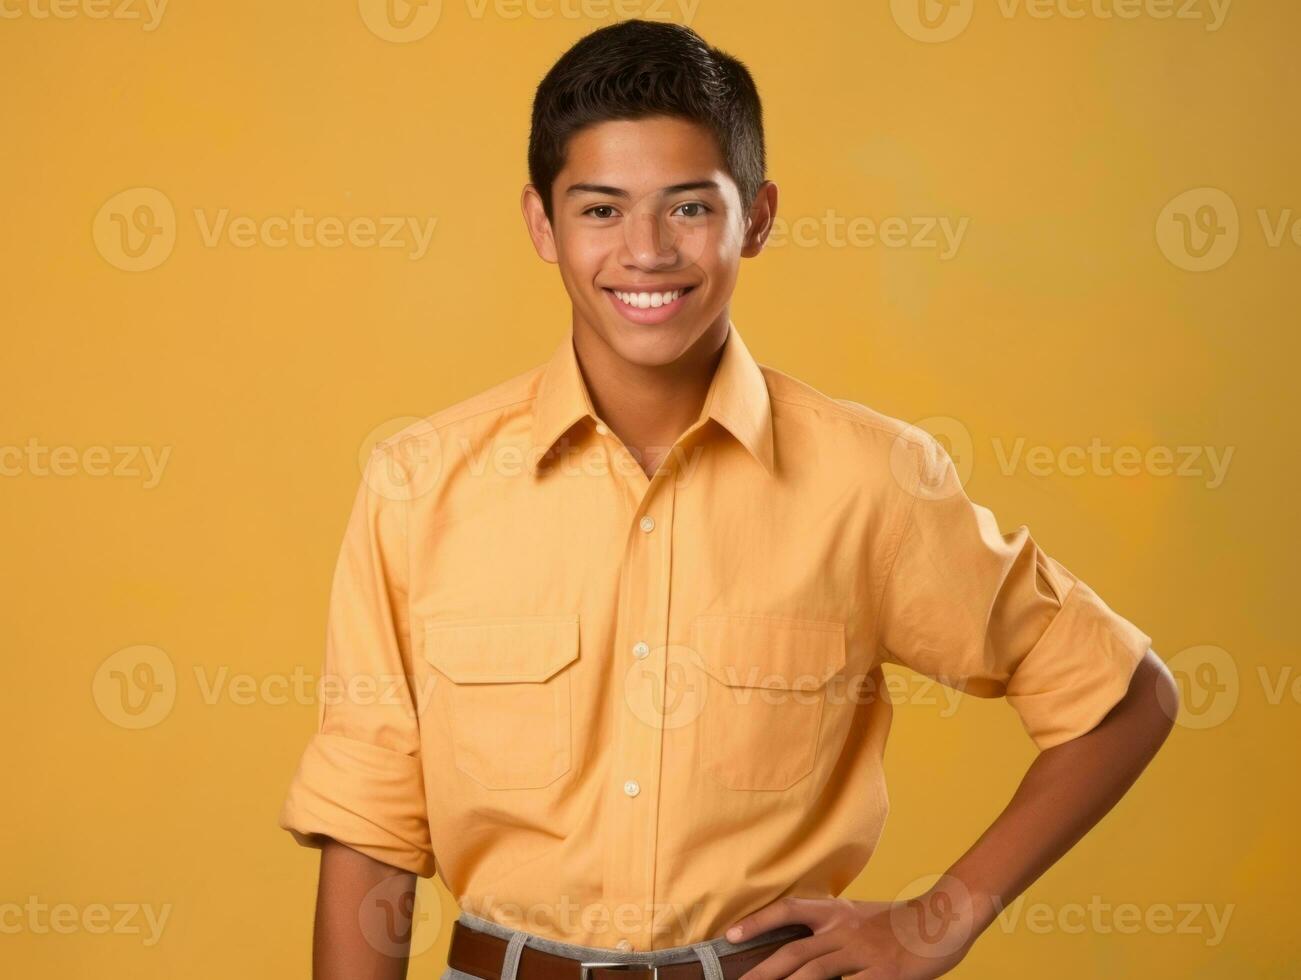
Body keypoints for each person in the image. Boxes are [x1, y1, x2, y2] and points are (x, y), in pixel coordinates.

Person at [278, 19, 1178, 980]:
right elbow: (369, 825)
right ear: (542, 224)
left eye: (689, 208)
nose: (647, 251)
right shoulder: (420, 484)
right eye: (600, 210)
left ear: (755, 216)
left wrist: (936, 921)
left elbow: (1124, 699)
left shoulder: (871, 481)